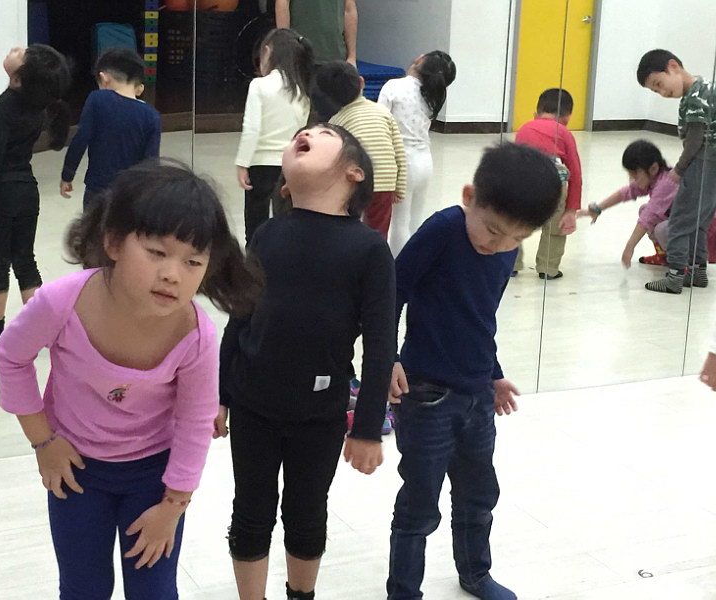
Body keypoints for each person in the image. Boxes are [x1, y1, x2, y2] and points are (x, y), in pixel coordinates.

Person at [0, 159, 263, 600]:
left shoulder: (195, 334)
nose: (173, 274)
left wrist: (173, 507)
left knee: (154, 590)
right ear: (114, 242)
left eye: (193, 261)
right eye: (157, 252)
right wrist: (43, 442)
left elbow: (195, 423)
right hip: (75, 469)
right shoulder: (63, 302)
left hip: (153, 476)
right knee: (83, 588)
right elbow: (11, 357)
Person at [217, 124, 396, 600]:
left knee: (306, 512)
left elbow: (381, 345)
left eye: (321, 133)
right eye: (302, 132)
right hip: (253, 404)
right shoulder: (268, 234)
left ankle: (302, 596)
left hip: (320, 413)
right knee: (250, 511)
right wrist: (221, 395)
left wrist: (367, 428)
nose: (306, 133)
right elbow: (240, 318)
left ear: (354, 172)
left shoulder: (369, 249)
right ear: (284, 185)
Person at [387, 143, 562, 600]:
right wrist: (387, 358)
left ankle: (476, 574)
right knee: (419, 504)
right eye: (492, 230)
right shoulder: (443, 230)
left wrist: (494, 374)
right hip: (425, 393)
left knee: (478, 493)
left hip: (477, 395)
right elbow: (391, 292)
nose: (497, 245)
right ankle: (403, 591)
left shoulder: (503, 249)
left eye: (515, 239)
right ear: (469, 197)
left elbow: (480, 317)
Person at [0, 45, 71, 342]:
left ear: (17, 79)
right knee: (25, 260)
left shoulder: (2, 108)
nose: (15, 49)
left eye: (22, 54)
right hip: (27, 192)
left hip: (0, 195)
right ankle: (40, 328)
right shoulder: (38, 106)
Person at [638, 49, 716, 293]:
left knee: (680, 222)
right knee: (699, 222)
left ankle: (675, 277)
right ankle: (698, 271)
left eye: (659, 84)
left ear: (673, 66)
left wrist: (680, 169)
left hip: (701, 163)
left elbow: (694, 140)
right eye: (655, 91)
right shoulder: (707, 87)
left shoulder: (694, 97)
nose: (662, 93)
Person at [235, 28, 313, 244]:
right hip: (290, 163)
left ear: (268, 51)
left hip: (260, 164)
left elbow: (252, 128)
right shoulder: (301, 89)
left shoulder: (259, 85)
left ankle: (255, 260)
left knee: (255, 226)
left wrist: (242, 163)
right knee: (286, 221)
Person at [60, 47, 161, 212]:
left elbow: (81, 139)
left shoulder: (98, 99)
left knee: (94, 228)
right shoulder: (152, 115)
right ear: (139, 86)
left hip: (98, 189)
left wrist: (67, 175)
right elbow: (152, 161)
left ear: (103, 78)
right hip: (130, 194)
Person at [315, 61, 407, 238]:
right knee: (378, 230)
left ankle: (350, 249)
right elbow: (399, 152)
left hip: (355, 181)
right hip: (385, 182)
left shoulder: (336, 121)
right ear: (362, 82)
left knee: (348, 224)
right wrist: (400, 187)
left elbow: (334, 158)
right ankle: (375, 252)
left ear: (328, 96)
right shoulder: (384, 113)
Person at [378, 51, 457, 256]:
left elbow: (380, 123)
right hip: (425, 160)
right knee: (415, 220)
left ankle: (399, 266)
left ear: (419, 60)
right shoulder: (432, 94)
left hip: (402, 161)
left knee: (399, 222)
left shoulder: (393, 86)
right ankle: (414, 262)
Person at [513, 88, 582, 280]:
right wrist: (571, 209)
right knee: (555, 228)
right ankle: (548, 269)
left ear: (536, 113)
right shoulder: (565, 133)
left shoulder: (524, 128)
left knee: (515, 223)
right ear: (567, 118)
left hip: (523, 184)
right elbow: (575, 173)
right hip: (554, 185)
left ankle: (511, 264)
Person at [578, 140, 678, 267]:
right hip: (678, 219)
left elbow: (648, 218)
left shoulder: (666, 183)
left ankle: (682, 262)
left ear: (653, 168)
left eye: (635, 176)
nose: (632, 180)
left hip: (695, 228)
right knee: (644, 209)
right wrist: (598, 209)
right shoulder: (655, 176)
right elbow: (625, 193)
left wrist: (629, 247)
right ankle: (664, 256)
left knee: (661, 229)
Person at [275, 0, 357, 65]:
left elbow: (349, 9)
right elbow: (282, 3)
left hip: (337, 56)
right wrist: (285, 50)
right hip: (300, 56)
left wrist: (352, 57)